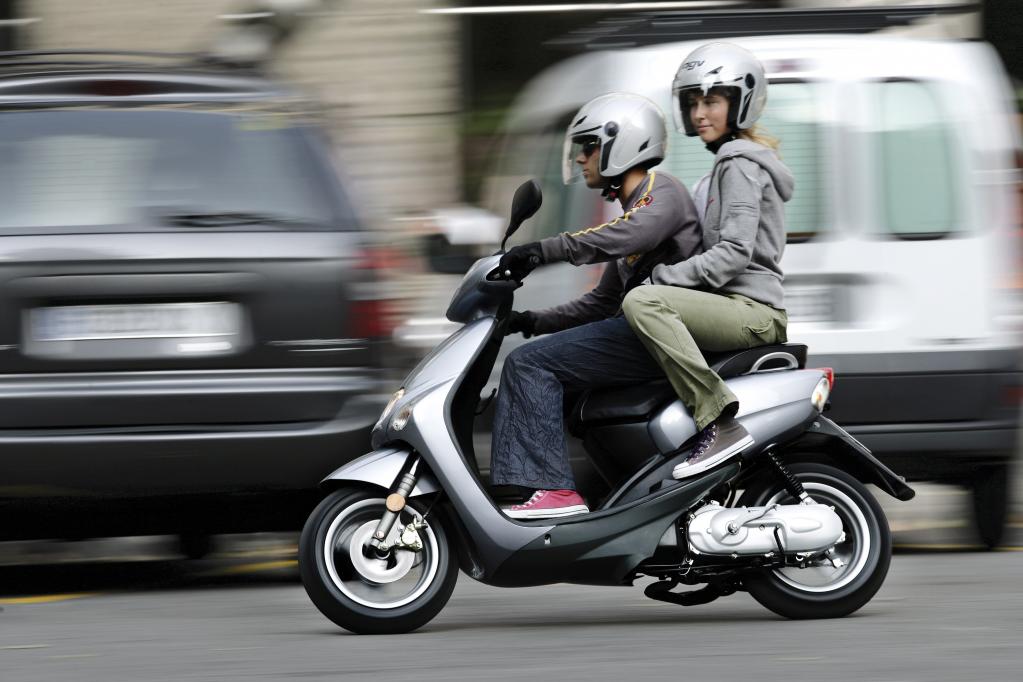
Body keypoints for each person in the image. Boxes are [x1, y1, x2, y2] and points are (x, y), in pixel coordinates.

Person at [491, 92, 702, 519]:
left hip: (663, 336)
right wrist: (531, 321)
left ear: (620, 144)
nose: (583, 159)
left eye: (588, 148)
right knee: (559, 386)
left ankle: (551, 490)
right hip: (640, 334)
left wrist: (542, 250)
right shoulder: (634, 214)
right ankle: (617, 500)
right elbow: (602, 303)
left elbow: (626, 236)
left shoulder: (663, 194)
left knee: (529, 366)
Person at [621, 42, 794, 481]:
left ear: (741, 104)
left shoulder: (738, 164)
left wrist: (663, 277)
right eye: (693, 102)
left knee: (645, 304)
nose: (700, 113)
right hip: (737, 306)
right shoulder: (725, 165)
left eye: (712, 102)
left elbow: (734, 253)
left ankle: (718, 421)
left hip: (752, 311)